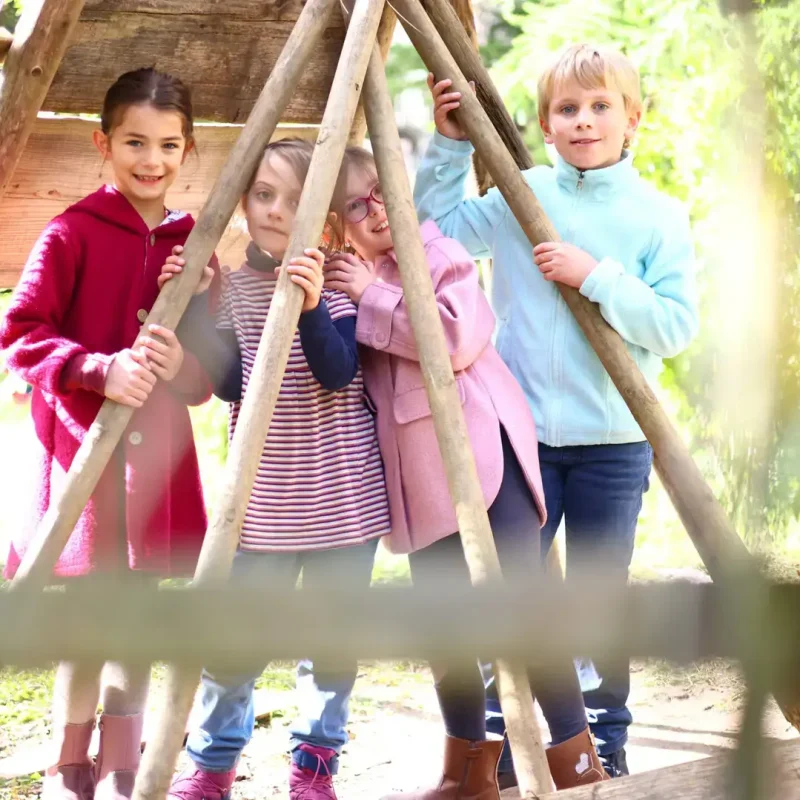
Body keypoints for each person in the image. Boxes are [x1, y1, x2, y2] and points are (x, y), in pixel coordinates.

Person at [414, 43, 699, 778]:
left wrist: (595, 275)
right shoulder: (522, 195)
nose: (584, 121)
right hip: (520, 441)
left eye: (601, 106)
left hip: (613, 443)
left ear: (633, 119)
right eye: (567, 109)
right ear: (544, 125)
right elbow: (432, 232)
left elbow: (674, 326)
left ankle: (602, 743)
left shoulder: (657, 216)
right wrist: (449, 147)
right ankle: (507, 740)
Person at [322, 145, 608, 796]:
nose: (376, 212)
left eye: (382, 192)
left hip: (485, 454)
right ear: (335, 225)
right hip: (419, 481)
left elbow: (453, 338)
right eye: (355, 207)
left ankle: (577, 763)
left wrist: (372, 297)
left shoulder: (435, 251)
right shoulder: (346, 278)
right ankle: (467, 772)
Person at [0, 68, 212, 800]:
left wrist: (184, 342)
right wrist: (97, 369)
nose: (152, 160)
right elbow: (19, 334)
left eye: (168, 145)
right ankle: (69, 767)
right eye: (134, 143)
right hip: (85, 464)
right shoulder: (72, 232)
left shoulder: (193, 246)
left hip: (157, 469)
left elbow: (208, 374)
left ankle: (122, 768)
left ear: (188, 150)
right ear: (103, 144)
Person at [158, 138, 391, 800]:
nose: (275, 210)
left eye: (295, 199)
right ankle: (212, 764)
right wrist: (197, 303)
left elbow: (336, 371)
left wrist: (311, 306)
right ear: (243, 203)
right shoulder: (234, 289)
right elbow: (229, 382)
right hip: (262, 507)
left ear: (324, 216)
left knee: (330, 646)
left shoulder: (337, 282)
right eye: (263, 195)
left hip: (343, 505)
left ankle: (314, 766)